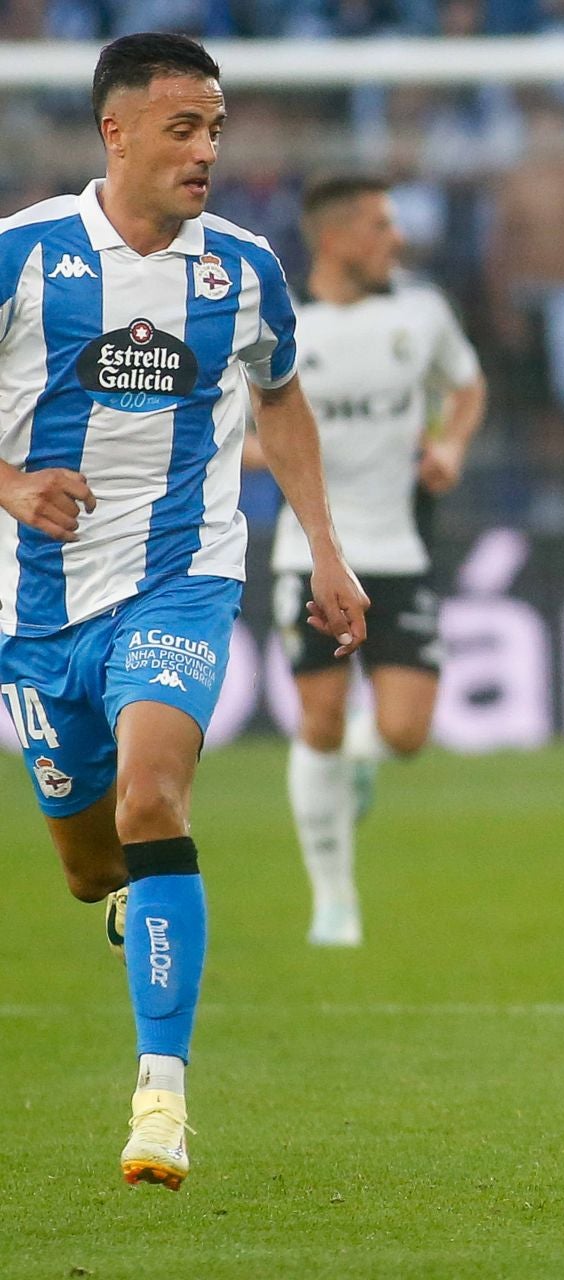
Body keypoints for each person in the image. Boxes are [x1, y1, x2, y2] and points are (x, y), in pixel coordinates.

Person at [0, 33, 368, 1189]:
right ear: (114, 132)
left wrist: (326, 550)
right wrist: (12, 484)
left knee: (156, 793)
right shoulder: (24, 254)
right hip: (36, 599)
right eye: (182, 128)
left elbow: (283, 397)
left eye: (215, 128)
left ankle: (161, 1097)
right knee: (88, 863)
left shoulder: (245, 268)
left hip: (182, 576)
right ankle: (133, 901)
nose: (206, 150)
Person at [253, 174, 486, 948]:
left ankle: (360, 763)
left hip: (397, 548)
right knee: (318, 718)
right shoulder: (278, 324)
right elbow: (230, 429)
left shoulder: (419, 314)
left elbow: (469, 384)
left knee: (407, 730)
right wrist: (275, 456)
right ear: (335, 238)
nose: (398, 240)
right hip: (310, 556)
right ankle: (334, 904)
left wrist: (450, 444)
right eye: (381, 227)